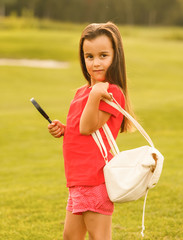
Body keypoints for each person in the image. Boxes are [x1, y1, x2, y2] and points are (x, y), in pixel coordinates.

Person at [48, 22, 135, 240]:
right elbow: (82, 130)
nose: (96, 63)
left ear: (116, 56)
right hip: (77, 178)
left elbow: (87, 127)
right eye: (89, 56)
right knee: (70, 236)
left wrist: (96, 93)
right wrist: (65, 130)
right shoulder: (81, 92)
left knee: (99, 236)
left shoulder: (111, 92)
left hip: (95, 179)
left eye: (103, 55)